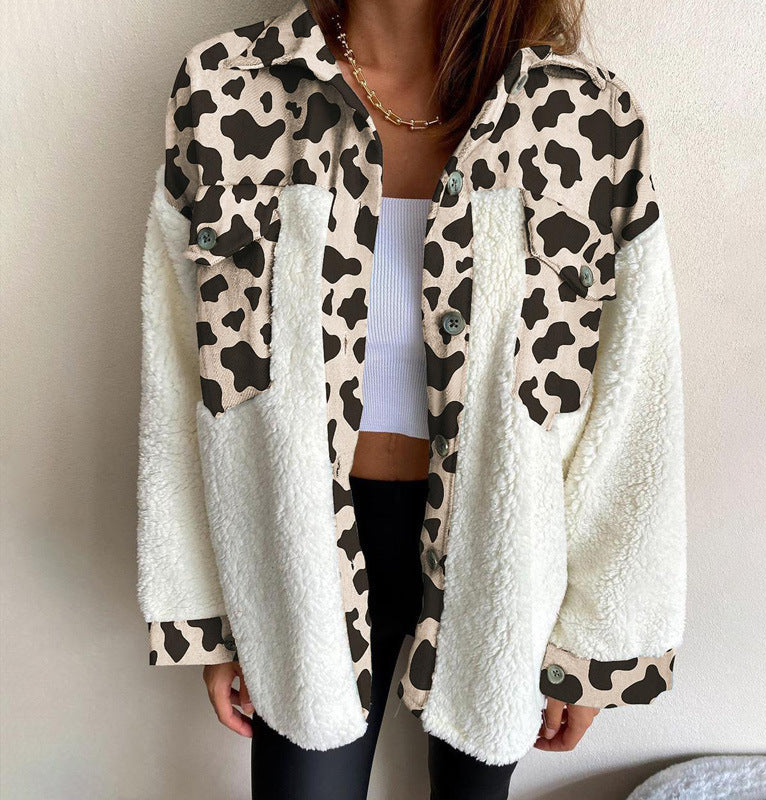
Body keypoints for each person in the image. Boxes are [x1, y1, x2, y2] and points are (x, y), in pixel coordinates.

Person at [136, 0, 687, 797]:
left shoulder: (583, 114)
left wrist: (598, 646)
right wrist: (206, 615)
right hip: (292, 551)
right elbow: (180, 367)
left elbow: (634, 395)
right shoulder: (227, 88)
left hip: (501, 559)